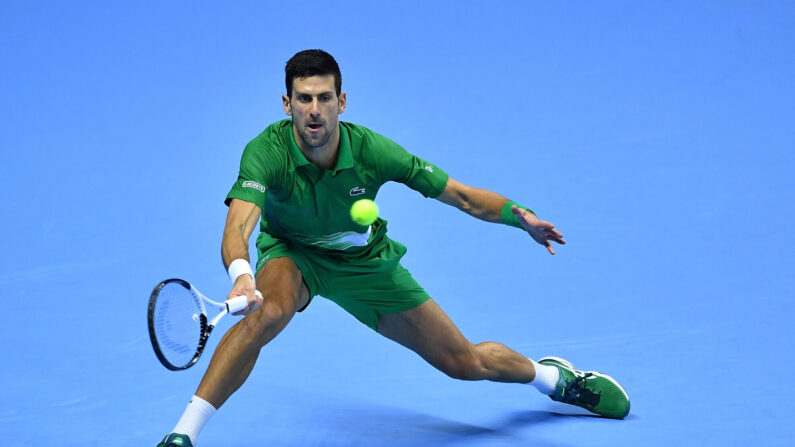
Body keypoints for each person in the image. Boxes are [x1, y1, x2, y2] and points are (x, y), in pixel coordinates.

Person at [157, 49, 629, 447]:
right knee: (268, 313)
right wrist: (242, 272)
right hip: (293, 254)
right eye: (304, 99)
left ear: (342, 101)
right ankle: (183, 436)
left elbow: (460, 195)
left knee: (465, 363)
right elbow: (239, 222)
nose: (315, 110)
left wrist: (517, 214)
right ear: (287, 104)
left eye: (324, 98)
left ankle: (554, 379)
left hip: (367, 266)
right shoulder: (265, 152)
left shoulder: (375, 152)